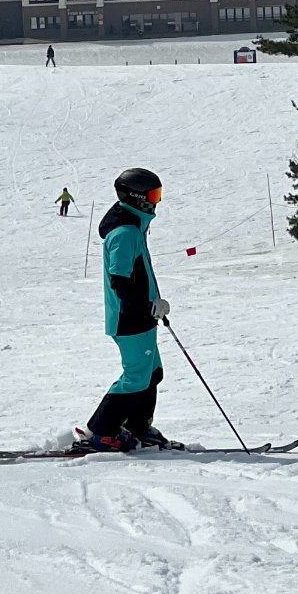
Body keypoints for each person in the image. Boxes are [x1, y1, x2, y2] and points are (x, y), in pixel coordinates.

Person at [85, 169, 170, 452]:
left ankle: (138, 427)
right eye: (153, 195)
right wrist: (146, 306)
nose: (156, 202)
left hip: (142, 317)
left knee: (151, 373)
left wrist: (153, 305)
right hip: (130, 319)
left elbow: (139, 275)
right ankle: (103, 432)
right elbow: (120, 281)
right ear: (137, 197)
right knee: (136, 377)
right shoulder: (124, 233)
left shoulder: (134, 228)